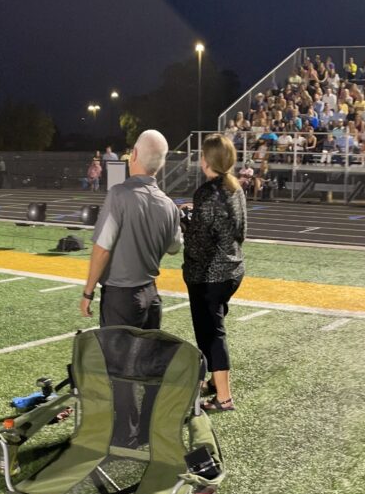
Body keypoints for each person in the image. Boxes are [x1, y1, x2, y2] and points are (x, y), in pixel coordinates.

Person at [79, 129, 183, 329]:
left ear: (133, 154)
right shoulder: (169, 205)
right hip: (151, 296)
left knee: (118, 359)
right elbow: (174, 248)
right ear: (161, 163)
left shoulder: (119, 195)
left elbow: (102, 249)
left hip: (121, 298)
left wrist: (88, 293)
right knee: (148, 358)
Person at [183, 134, 248, 411]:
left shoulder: (206, 193)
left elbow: (198, 244)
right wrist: (196, 214)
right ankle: (214, 380)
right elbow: (237, 230)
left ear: (207, 160)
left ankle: (224, 397)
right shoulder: (236, 188)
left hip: (209, 275)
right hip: (233, 269)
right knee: (214, 328)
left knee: (211, 333)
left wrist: (186, 223)